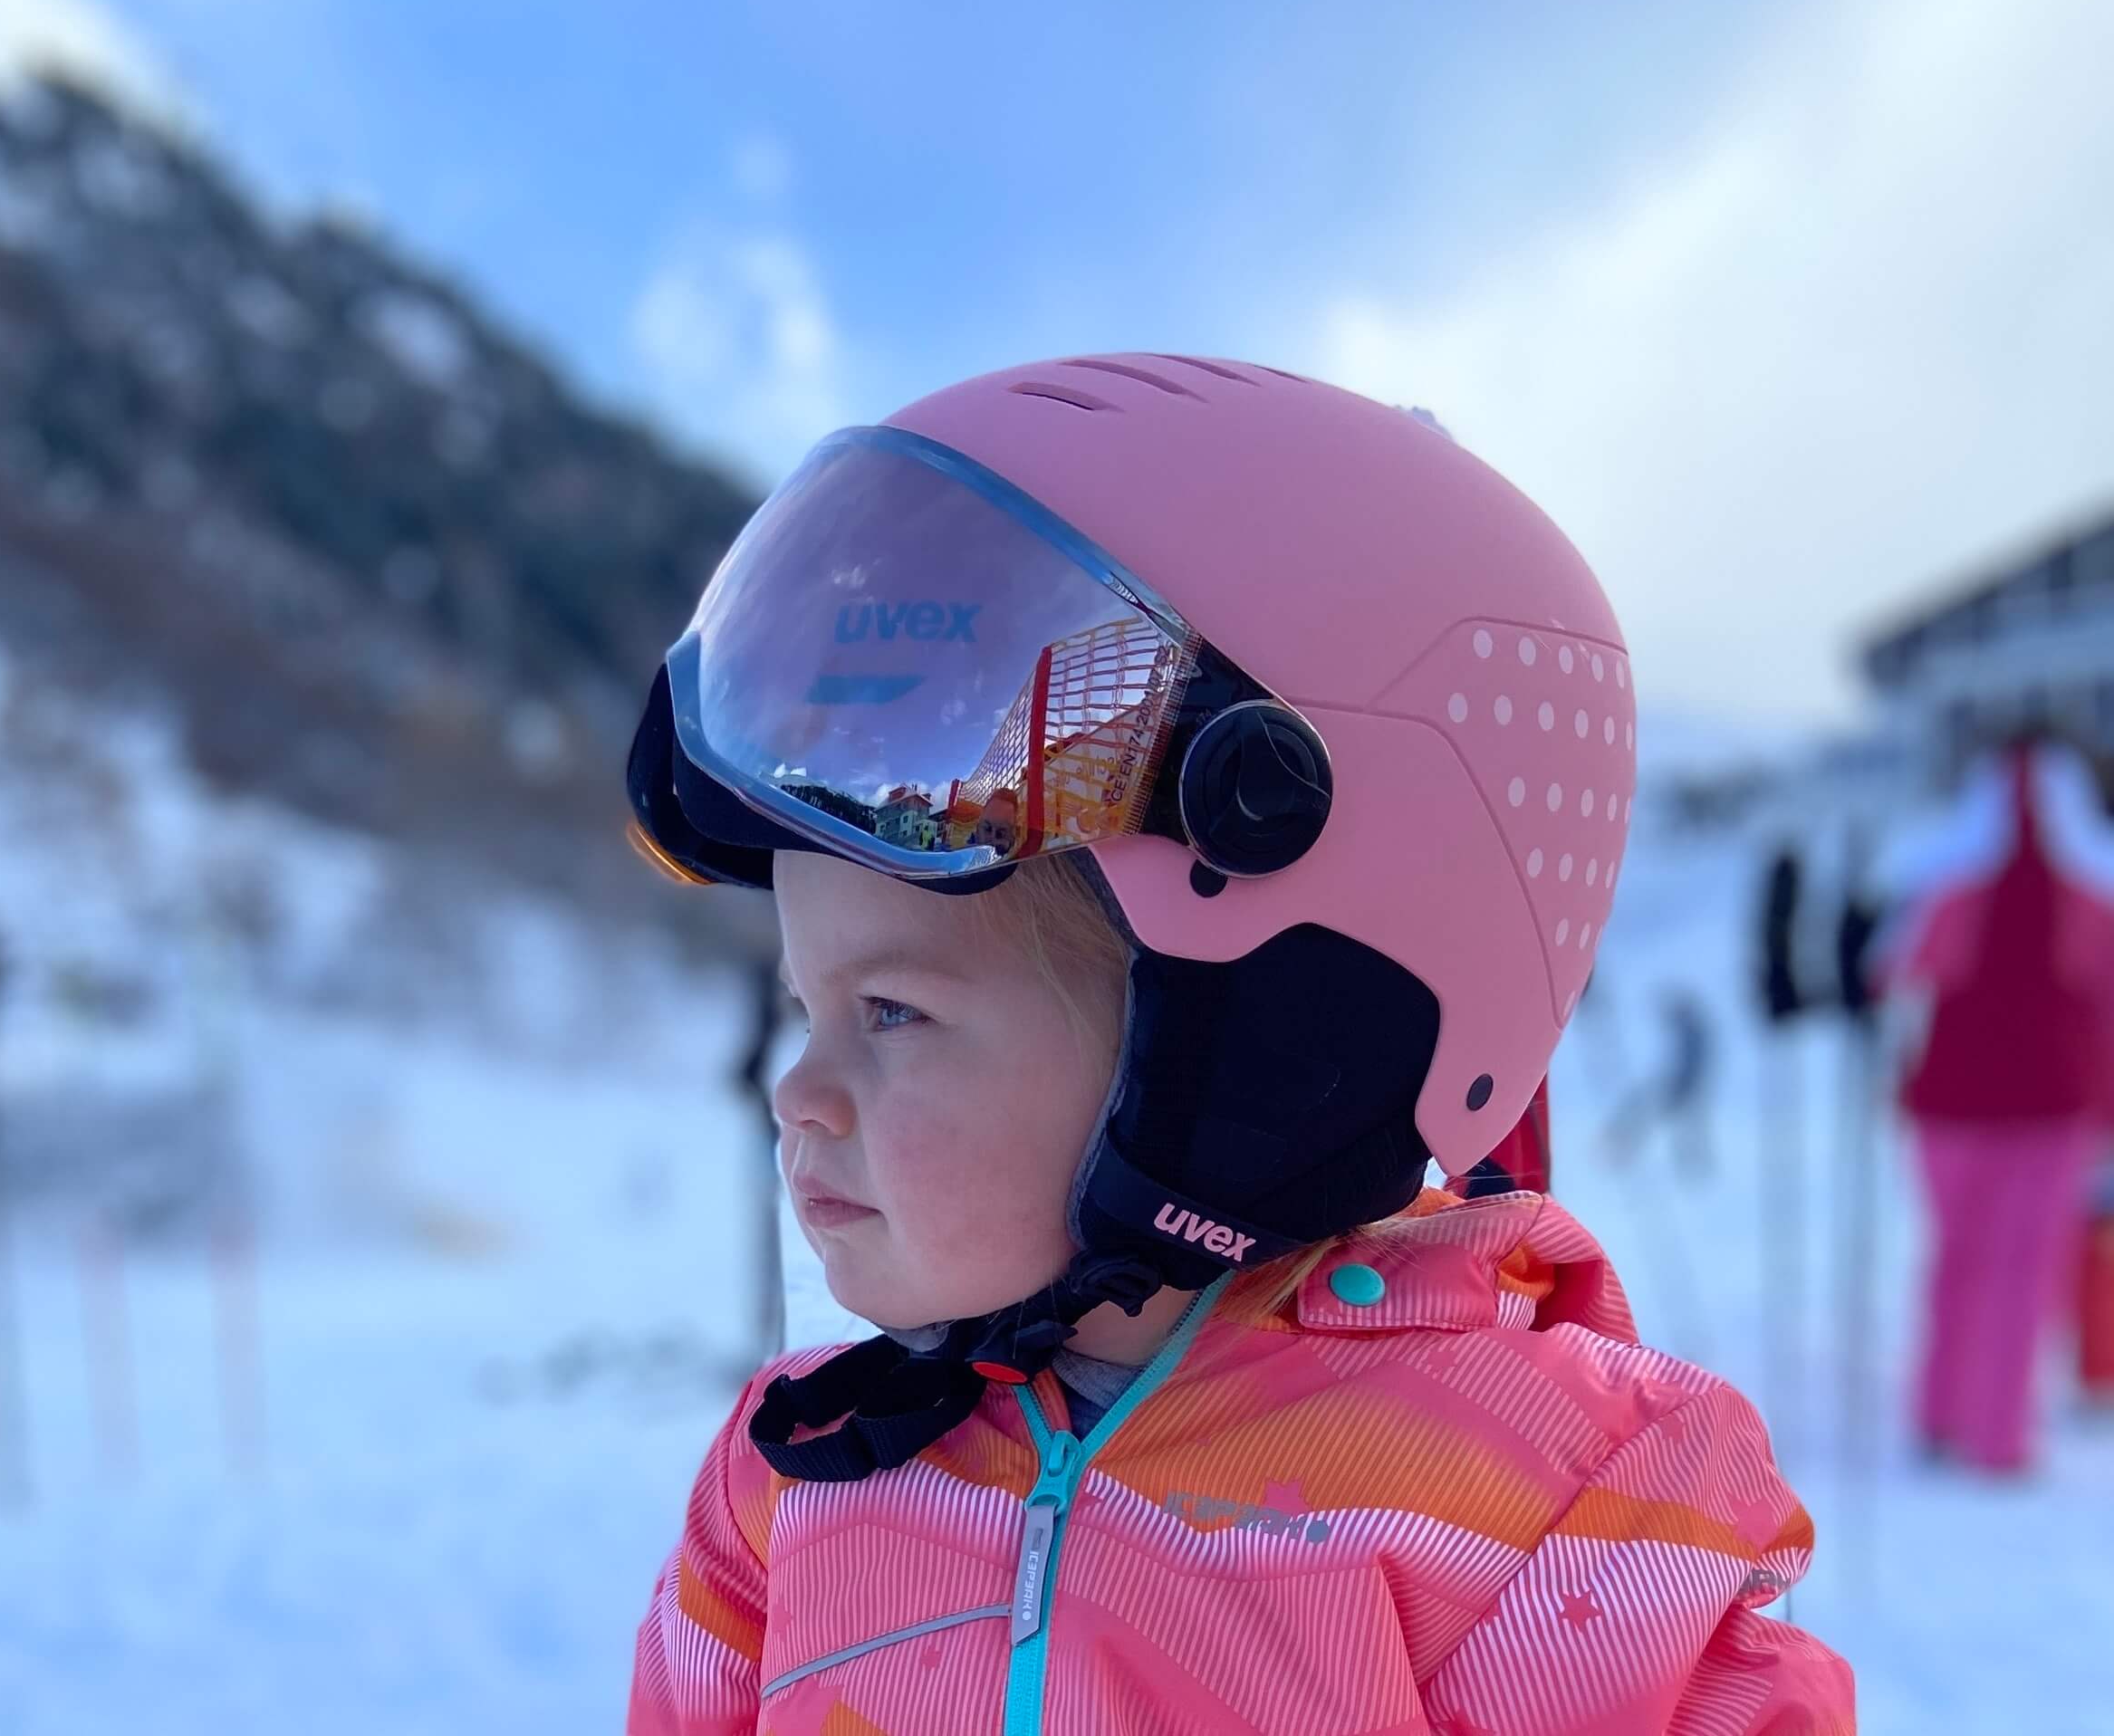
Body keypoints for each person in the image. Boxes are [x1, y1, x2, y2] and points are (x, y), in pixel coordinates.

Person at [620, 356, 1852, 1733]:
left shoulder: (1554, 1520)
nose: (797, 1096)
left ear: (1260, 1036)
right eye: (809, 1012)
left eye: (894, 1014)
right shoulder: (798, 1476)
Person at [1876, 735, 2114, 1472]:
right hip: (2048, 1109)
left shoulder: (1951, 891)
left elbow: (1889, 975)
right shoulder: (2090, 898)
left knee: (1955, 1263)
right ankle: (1997, 1435)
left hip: (1946, 1108)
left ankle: (1939, 1415)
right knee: (2020, 1271)